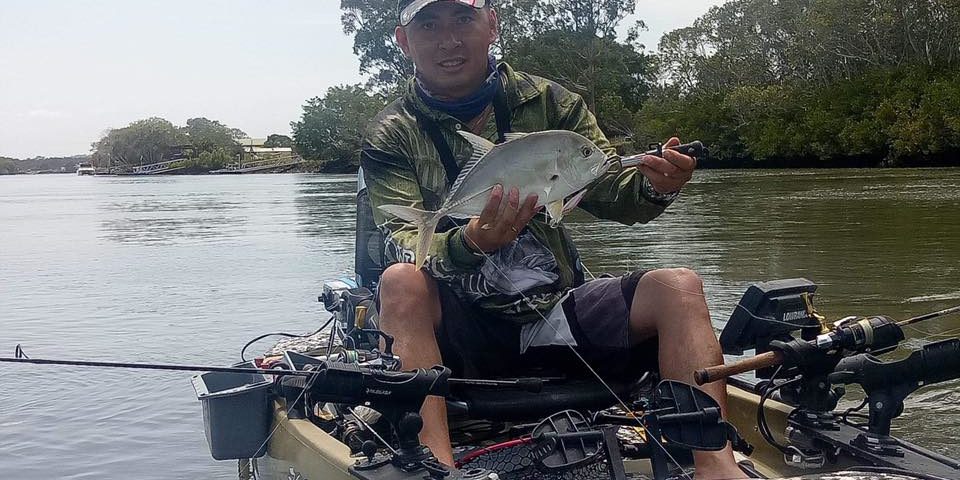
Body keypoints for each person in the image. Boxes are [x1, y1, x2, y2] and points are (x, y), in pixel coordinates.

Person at [360, 1, 747, 478]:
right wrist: (472, 242)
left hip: (556, 311)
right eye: (429, 25)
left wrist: (655, 185)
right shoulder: (391, 133)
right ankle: (437, 468)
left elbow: (608, 188)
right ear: (404, 40)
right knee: (400, 280)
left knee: (679, 287)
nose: (449, 40)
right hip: (459, 331)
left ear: (492, 25)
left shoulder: (553, 101)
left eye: (463, 19)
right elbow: (399, 240)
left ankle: (716, 467)